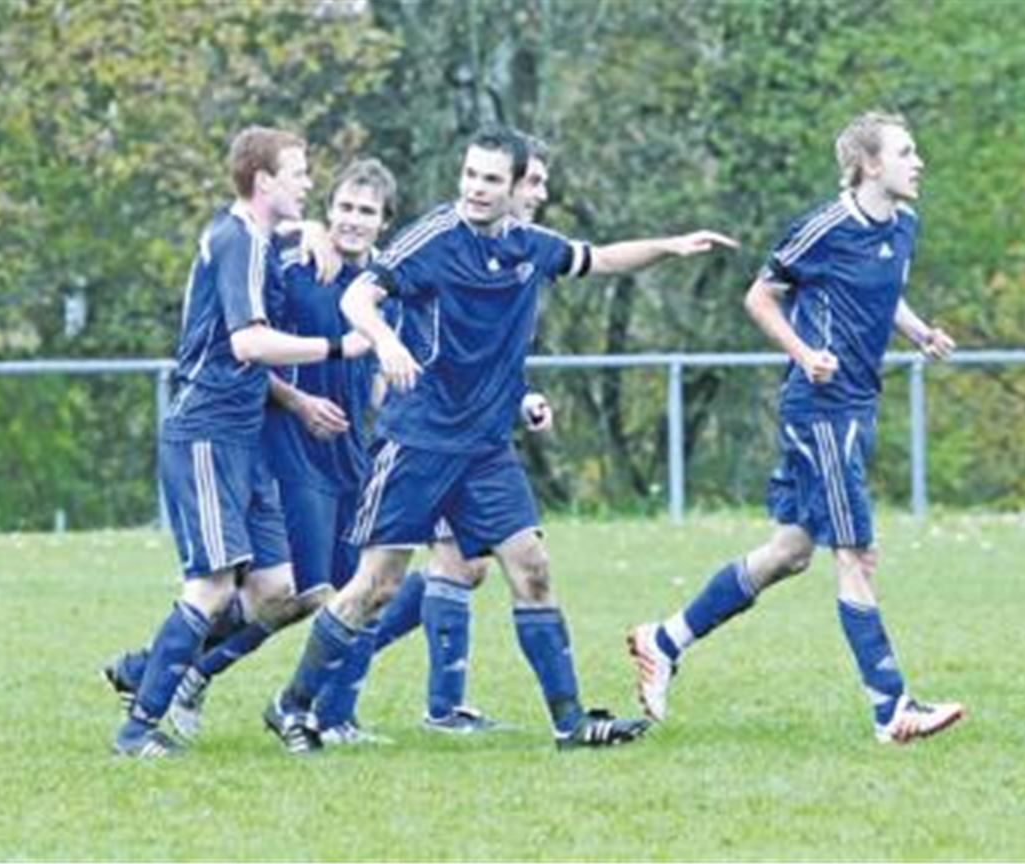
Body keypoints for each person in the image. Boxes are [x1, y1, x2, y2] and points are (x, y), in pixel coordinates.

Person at [264, 124, 738, 753]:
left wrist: (672, 246)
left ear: (517, 187)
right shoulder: (433, 238)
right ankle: (291, 705)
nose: (476, 189)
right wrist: (387, 339)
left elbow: (600, 257)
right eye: (470, 175)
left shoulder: (531, 245)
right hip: (420, 441)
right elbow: (358, 296)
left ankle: (573, 724)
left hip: (486, 448)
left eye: (491, 179)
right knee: (375, 584)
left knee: (532, 568)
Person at [627, 110, 964, 745]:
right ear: (869, 165)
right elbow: (760, 296)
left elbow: (881, 293)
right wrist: (803, 354)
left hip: (859, 404)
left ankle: (663, 639)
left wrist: (920, 333)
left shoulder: (904, 225)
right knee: (856, 553)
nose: (917, 162)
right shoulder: (823, 228)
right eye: (905, 152)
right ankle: (892, 709)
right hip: (822, 410)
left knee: (790, 552)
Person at [110, 126, 367, 758]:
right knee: (211, 587)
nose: (309, 182)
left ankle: (147, 669)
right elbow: (247, 343)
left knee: (280, 591)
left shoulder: (255, 237)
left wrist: (303, 230)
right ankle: (138, 730)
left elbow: (280, 248)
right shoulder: (237, 244)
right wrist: (338, 346)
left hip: (244, 438)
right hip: (205, 433)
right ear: (264, 181)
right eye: (299, 173)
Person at [365, 134, 555, 735]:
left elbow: (485, 354)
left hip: (469, 429)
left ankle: (439, 704)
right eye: (536, 183)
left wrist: (522, 396)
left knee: (459, 566)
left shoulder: (515, 255)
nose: (542, 195)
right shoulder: (452, 241)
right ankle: (370, 679)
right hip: (427, 425)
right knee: (393, 576)